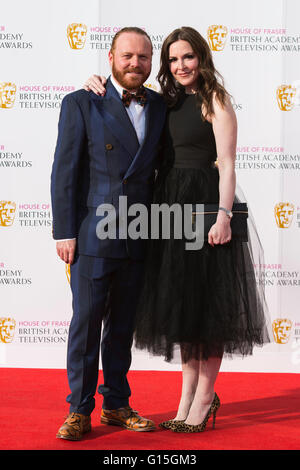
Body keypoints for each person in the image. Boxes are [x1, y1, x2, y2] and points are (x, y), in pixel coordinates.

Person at [84, 26, 270, 434]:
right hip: (168, 209)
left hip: (206, 207)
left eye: (188, 57)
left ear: (201, 58)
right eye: (172, 59)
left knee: (209, 307)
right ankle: (186, 397)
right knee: (185, 306)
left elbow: (227, 164)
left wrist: (223, 215)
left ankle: (205, 397)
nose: (180, 65)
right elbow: (120, 96)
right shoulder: (162, 102)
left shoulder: (215, 100)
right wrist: (96, 81)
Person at [51, 27, 166, 441]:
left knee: (122, 326)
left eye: (144, 57)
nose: (136, 63)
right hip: (94, 232)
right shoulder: (82, 102)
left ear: (152, 62)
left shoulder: (159, 105)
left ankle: (116, 404)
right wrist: (64, 231)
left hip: (141, 233)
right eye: (128, 56)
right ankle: (79, 410)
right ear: (111, 57)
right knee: (86, 323)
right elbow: (65, 172)